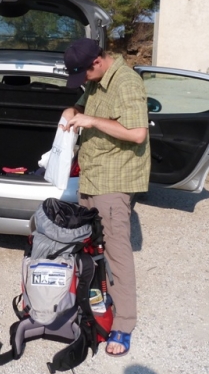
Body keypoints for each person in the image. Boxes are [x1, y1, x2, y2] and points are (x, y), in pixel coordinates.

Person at [61, 38, 151, 357]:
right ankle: (98, 304)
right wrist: (73, 112)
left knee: (116, 252)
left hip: (113, 182)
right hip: (93, 176)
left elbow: (137, 132)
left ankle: (124, 325)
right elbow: (85, 108)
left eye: (83, 73)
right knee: (92, 247)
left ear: (97, 62)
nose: (82, 80)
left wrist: (91, 122)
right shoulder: (97, 82)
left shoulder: (126, 83)